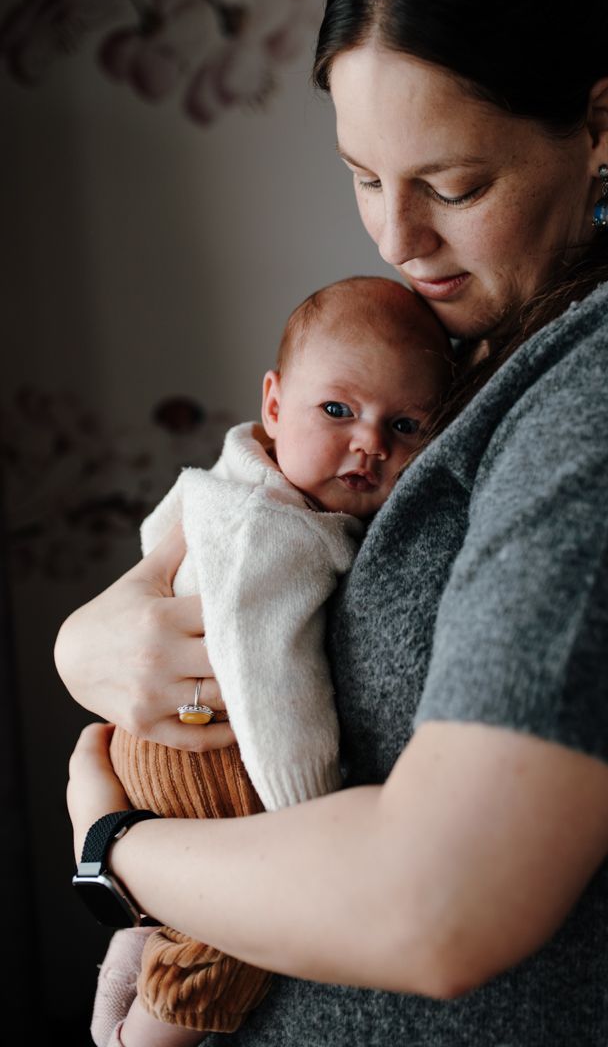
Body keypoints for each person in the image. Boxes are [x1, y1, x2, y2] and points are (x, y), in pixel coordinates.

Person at [57, 0, 608, 1046]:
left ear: (600, 126)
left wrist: (120, 850)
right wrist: (101, 631)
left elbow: (441, 904)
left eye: (452, 185)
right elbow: (264, 520)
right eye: (362, 177)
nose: (397, 237)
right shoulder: (475, 357)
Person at [88, 276, 454, 1047]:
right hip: (218, 747)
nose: (370, 443)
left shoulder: (240, 482)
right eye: (338, 410)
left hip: (168, 735)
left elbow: (160, 536)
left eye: (408, 425)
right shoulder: (270, 534)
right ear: (275, 404)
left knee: (199, 910)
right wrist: (301, 822)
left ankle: (142, 942)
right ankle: (141, 1040)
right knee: (243, 928)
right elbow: (267, 676)